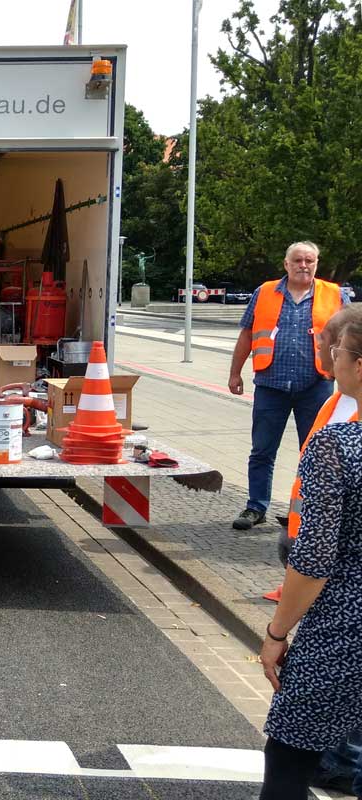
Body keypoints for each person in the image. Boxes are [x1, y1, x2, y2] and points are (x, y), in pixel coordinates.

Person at [258, 315, 362, 800]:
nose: (331, 360)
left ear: (358, 367)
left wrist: (277, 633)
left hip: (344, 630)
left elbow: (314, 561)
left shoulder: (339, 447)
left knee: (289, 754)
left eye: (337, 352)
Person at [227, 242, 350, 530]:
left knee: (315, 453)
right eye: (297, 260)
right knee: (262, 451)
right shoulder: (265, 292)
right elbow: (247, 335)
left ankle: (307, 512)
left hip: (316, 386)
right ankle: (255, 507)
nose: (303, 265)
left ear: (317, 263)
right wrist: (235, 373)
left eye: (310, 260)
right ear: (286, 264)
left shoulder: (334, 295)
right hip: (271, 385)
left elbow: (351, 338)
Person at [268, 304, 362, 602]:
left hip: (333, 562)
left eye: (322, 341)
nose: (317, 346)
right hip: (308, 539)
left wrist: (277, 632)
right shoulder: (334, 402)